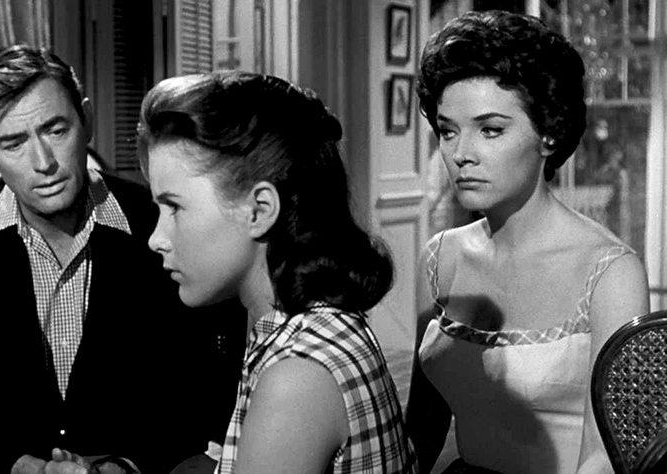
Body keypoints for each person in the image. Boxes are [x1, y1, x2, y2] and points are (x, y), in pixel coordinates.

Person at [0, 44, 244, 474]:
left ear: (87, 120)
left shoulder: (156, 220)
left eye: (56, 130)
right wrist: (21, 465)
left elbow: (200, 390)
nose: (43, 163)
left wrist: (123, 465)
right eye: (13, 143)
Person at [134, 70, 418, 474]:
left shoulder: (297, 375)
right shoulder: (296, 323)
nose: (156, 239)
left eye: (175, 207)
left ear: (259, 210)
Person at [406, 10, 650, 474]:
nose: (461, 154)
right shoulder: (440, 258)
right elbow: (423, 426)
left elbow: (606, 457)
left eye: (491, 130)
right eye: (448, 130)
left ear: (549, 133)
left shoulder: (609, 272)